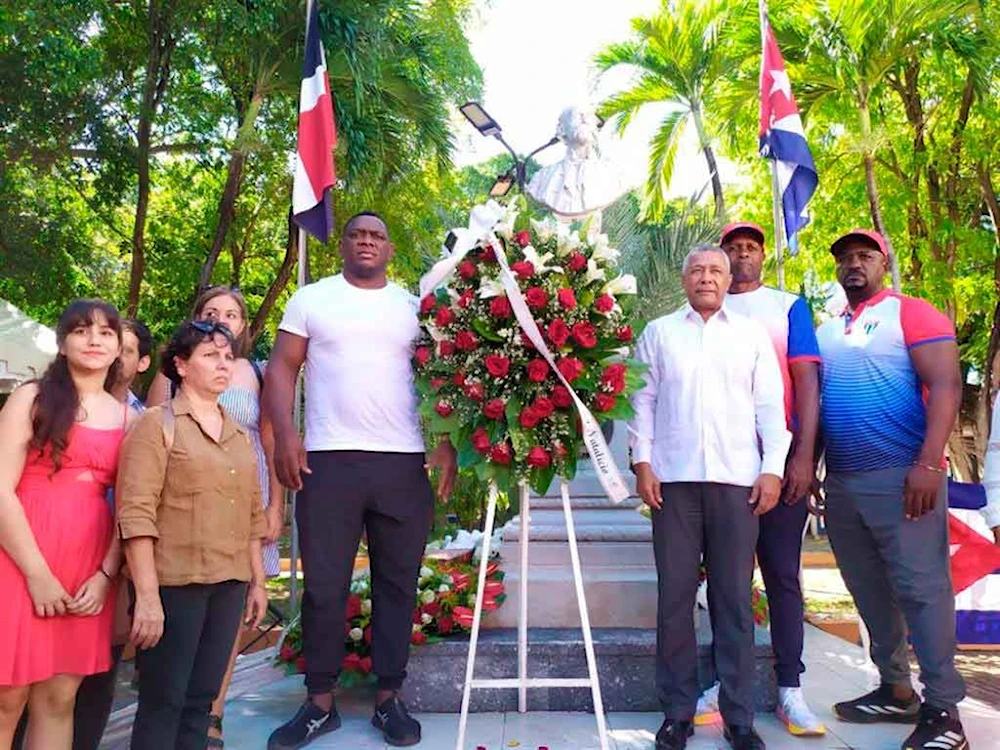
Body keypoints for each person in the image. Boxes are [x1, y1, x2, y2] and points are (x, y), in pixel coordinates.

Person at [265, 212, 457, 749]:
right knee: (324, 586)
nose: (366, 242)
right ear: (344, 245)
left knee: (397, 583)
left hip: (403, 462)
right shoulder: (312, 299)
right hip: (328, 459)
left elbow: (438, 377)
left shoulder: (413, 307)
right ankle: (319, 704)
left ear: (389, 249)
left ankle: (389, 699)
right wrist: (285, 435)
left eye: (376, 236)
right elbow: (282, 368)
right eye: (357, 235)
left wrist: (444, 444)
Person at [629, 245, 791, 750]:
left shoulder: (750, 335)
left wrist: (771, 470)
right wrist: (642, 462)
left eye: (715, 270)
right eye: (697, 270)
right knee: (675, 600)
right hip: (673, 484)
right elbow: (643, 401)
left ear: (728, 279)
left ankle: (738, 718)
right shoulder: (659, 333)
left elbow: (770, 406)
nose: (706, 277)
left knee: (733, 601)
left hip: (737, 485)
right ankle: (677, 713)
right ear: (684, 279)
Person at [816, 229, 967, 750]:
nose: (854, 264)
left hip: (905, 477)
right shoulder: (828, 329)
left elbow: (948, 384)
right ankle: (895, 688)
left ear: (885, 261)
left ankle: (944, 711)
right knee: (869, 590)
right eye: (845, 259)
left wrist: (929, 463)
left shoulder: (912, 312)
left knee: (922, 590)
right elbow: (817, 404)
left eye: (865, 256)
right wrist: (812, 469)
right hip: (843, 482)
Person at [690, 222, 822, 737]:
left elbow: (807, 380)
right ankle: (722, 685)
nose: (742, 255)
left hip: (779, 462)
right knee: (726, 581)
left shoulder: (787, 306)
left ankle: (790, 688)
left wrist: (802, 457)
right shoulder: (702, 315)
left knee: (782, 575)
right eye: (732, 248)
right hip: (721, 471)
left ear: (762, 257)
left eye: (751, 247)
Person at [116, 319, 268, 750]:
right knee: (164, 701)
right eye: (209, 355)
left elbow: (252, 517)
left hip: (229, 584)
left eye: (227, 356)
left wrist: (257, 581)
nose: (223, 365)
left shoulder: (239, 435)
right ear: (181, 365)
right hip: (174, 586)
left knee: (201, 703)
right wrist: (146, 598)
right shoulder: (156, 425)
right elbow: (136, 515)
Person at [147, 286, 282, 747]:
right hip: (182, 541)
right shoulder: (166, 400)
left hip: (239, 530)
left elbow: (266, 457)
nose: (223, 320)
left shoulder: (248, 393)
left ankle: (213, 720)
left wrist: (274, 509)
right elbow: (142, 493)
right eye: (211, 313)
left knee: (212, 668)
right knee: (173, 670)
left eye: (232, 314)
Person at [0, 299, 129, 750]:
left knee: (58, 698)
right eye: (81, 329)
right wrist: (36, 575)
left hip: (87, 567)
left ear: (118, 349)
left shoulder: (125, 415)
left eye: (106, 332)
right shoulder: (31, 397)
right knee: (6, 696)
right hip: (19, 559)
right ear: (61, 342)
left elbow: (129, 505)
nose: (94, 339)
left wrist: (106, 575)